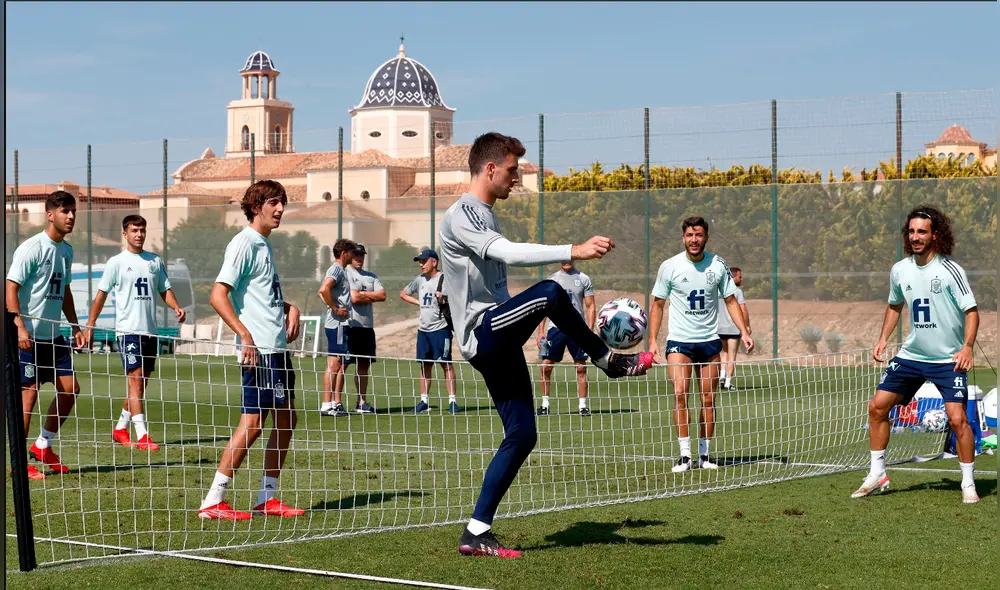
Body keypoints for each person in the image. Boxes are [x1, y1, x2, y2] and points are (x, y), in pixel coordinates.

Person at [440, 131, 654, 558]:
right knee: (553, 291)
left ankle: (476, 532)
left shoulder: (484, 212)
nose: (515, 178)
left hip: (497, 335)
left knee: (522, 435)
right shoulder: (462, 213)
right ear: (489, 168)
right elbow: (508, 252)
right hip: (483, 333)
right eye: (512, 169)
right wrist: (573, 248)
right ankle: (606, 359)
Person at [853, 206, 980, 504]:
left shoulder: (950, 270)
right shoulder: (900, 270)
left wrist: (967, 347)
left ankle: (968, 483)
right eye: (911, 231)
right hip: (912, 355)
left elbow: (971, 312)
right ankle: (877, 473)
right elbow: (894, 305)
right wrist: (883, 339)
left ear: (935, 235)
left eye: (922, 231)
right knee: (877, 407)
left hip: (948, 359)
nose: (915, 237)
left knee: (957, 418)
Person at [197, 180, 304, 520]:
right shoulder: (244, 243)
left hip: (276, 352)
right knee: (254, 423)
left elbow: (260, 295)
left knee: (286, 420)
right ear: (256, 206)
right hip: (259, 352)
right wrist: (245, 335)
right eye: (275, 202)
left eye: (283, 202)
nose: (281, 209)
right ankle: (213, 500)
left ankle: (266, 498)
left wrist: (291, 308)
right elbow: (218, 295)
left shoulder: (264, 245)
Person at [648, 216, 754, 474]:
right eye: (689, 235)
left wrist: (744, 331)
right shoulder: (670, 266)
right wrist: (652, 340)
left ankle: (705, 455)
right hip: (679, 343)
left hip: (709, 342)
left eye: (699, 235)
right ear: (683, 237)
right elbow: (658, 304)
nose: (694, 240)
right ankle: (685, 456)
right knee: (680, 393)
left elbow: (730, 300)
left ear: (706, 237)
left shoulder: (718, 265)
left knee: (708, 398)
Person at [84, 214, 187, 451]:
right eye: (134, 230)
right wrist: (90, 323)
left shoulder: (154, 261)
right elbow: (101, 295)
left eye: (142, 230)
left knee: (139, 385)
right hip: (128, 332)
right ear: (125, 234)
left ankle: (120, 428)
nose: (139, 234)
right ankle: (143, 436)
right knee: (135, 381)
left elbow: (165, 289)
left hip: (150, 332)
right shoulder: (116, 263)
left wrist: (176, 306)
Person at [5, 190, 87, 480]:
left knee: (70, 390)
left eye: (73, 211)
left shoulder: (67, 251)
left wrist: (75, 326)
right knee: (29, 396)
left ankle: (43, 446)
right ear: (50, 214)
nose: (71, 216)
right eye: (65, 211)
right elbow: (11, 287)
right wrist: (20, 326)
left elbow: (63, 291)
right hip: (28, 338)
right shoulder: (32, 248)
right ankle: (18, 463)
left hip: (54, 337)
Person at [401, 248, 459, 414]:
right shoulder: (420, 280)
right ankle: (424, 401)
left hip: (440, 329)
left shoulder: (444, 279)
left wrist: (442, 299)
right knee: (424, 366)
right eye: (420, 261)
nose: (421, 264)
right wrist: (418, 303)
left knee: (446, 364)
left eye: (424, 261)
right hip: (423, 331)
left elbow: (454, 300)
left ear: (434, 262)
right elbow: (403, 294)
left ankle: (452, 401)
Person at [534, 261, 596, 416]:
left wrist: (589, 330)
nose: (566, 261)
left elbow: (590, 306)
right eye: (563, 258)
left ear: (573, 259)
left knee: (581, 367)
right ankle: (545, 405)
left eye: (569, 258)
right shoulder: (552, 280)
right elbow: (544, 307)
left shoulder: (583, 278)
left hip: (577, 329)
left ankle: (582, 406)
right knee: (545, 366)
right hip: (555, 329)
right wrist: (541, 331)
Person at [344, 244, 385, 414]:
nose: (359, 258)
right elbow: (353, 298)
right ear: (350, 256)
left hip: (367, 328)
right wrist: (369, 296)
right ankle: (333, 401)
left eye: (362, 255)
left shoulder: (371, 276)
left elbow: (382, 295)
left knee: (363, 365)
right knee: (342, 365)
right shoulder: (346, 273)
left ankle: (361, 402)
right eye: (356, 255)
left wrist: (362, 295)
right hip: (351, 326)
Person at [317, 238, 356, 417]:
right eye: (351, 252)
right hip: (337, 324)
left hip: (341, 324)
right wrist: (335, 309)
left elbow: (322, 291)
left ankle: (332, 402)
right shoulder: (336, 270)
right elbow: (324, 289)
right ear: (344, 253)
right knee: (334, 363)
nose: (353, 255)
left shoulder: (341, 270)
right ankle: (327, 404)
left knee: (338, 362)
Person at [716, 266, 750, 392]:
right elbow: (743, 310)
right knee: (732, 355)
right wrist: (746, 326)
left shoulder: (717, 291)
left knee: (723, 354)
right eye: (739, 277)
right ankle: (728, 383)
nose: (741, 279)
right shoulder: (736, 291)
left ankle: (721, 377)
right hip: (733, 328)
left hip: (718, 328)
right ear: (733, 276)